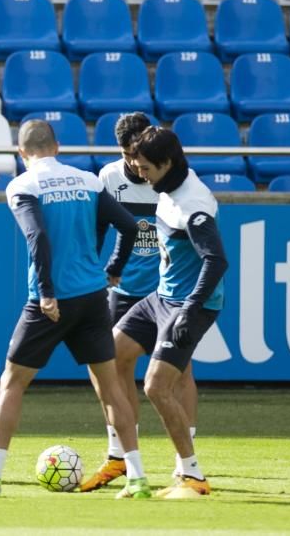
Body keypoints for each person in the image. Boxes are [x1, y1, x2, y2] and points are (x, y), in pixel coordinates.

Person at [0, 119, 151, 499]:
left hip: (49, 303)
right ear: (57, 147)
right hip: (93, 298)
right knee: (111, 388)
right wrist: (113, 271)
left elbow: (36, 235)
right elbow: (130, 227)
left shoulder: (22, 185)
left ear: (22, 153)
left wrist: (47, 292)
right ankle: (137, 478)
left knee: (12, 382)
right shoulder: (87, 180)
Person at [82, 113, 199, 492]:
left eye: (140, 154)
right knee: (110, 365)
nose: (135, 163)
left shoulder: (169, 177)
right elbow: (100, 228)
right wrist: (98, 272)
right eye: (128, 154)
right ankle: (118, 454)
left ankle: (187, 459)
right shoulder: (108, 177)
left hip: (167, 290)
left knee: (180, 373)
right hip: (123, 290)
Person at [117, 126, 228, 497]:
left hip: (189, 306)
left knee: (156, 386)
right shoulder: (169, 184)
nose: (140, 174)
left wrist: (190, 309)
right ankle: (122, 456)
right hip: (161, 298)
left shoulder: (193, 206)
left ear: (166, 164)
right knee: (108, 355)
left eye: (146, 167)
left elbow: (216, 261)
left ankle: (192, 475)